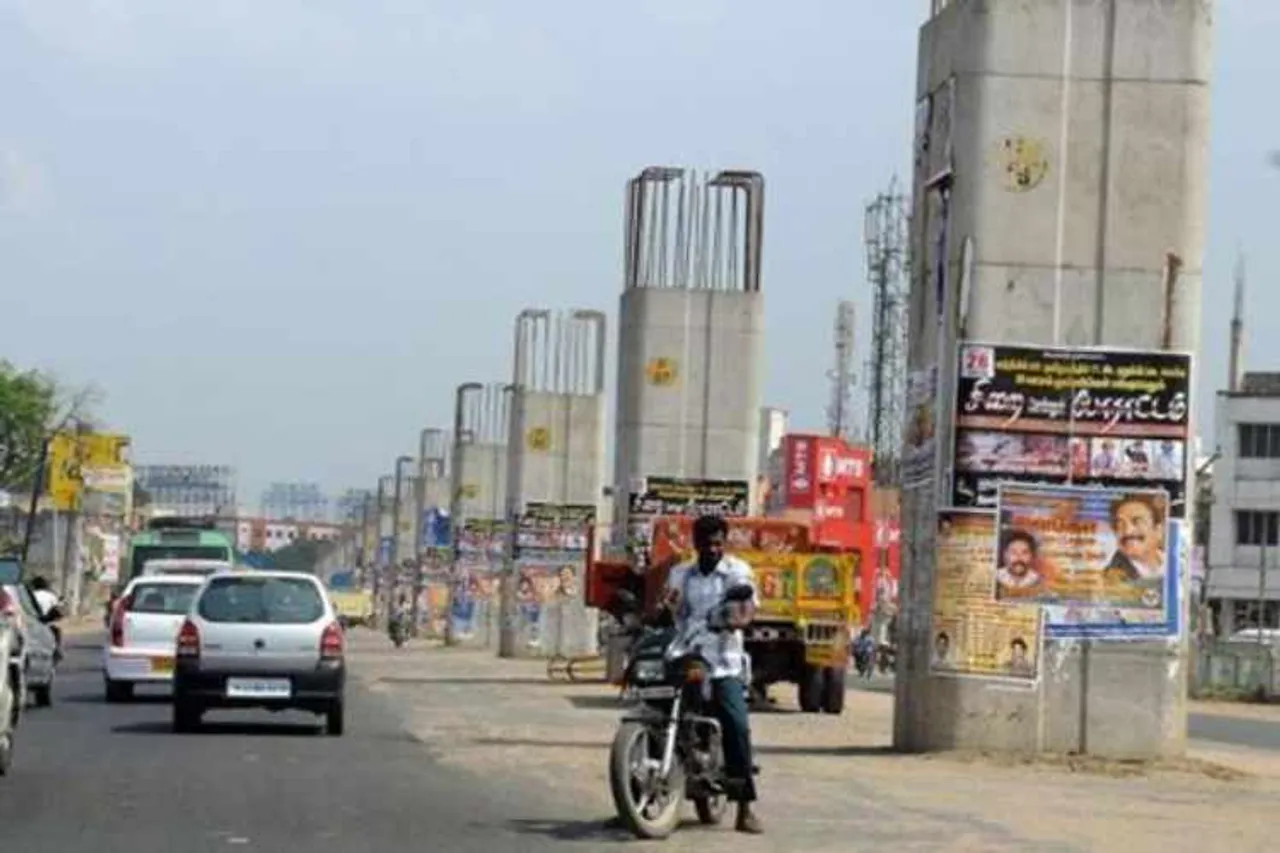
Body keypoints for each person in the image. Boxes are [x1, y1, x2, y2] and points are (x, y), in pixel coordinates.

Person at [662, 514, 763, 835]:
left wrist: (735, 618)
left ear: (725, 542)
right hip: (686, 655)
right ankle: (634, 791)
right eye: (707, 544)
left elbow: (746, 607)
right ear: (695, 544)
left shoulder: (737, 571)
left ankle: (745, 807)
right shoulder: (681, 573)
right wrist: (662, 607)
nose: (713, 549)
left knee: (736, 723)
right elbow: (669, 606)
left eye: (719, 543)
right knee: (656, 710)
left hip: (723, 662)